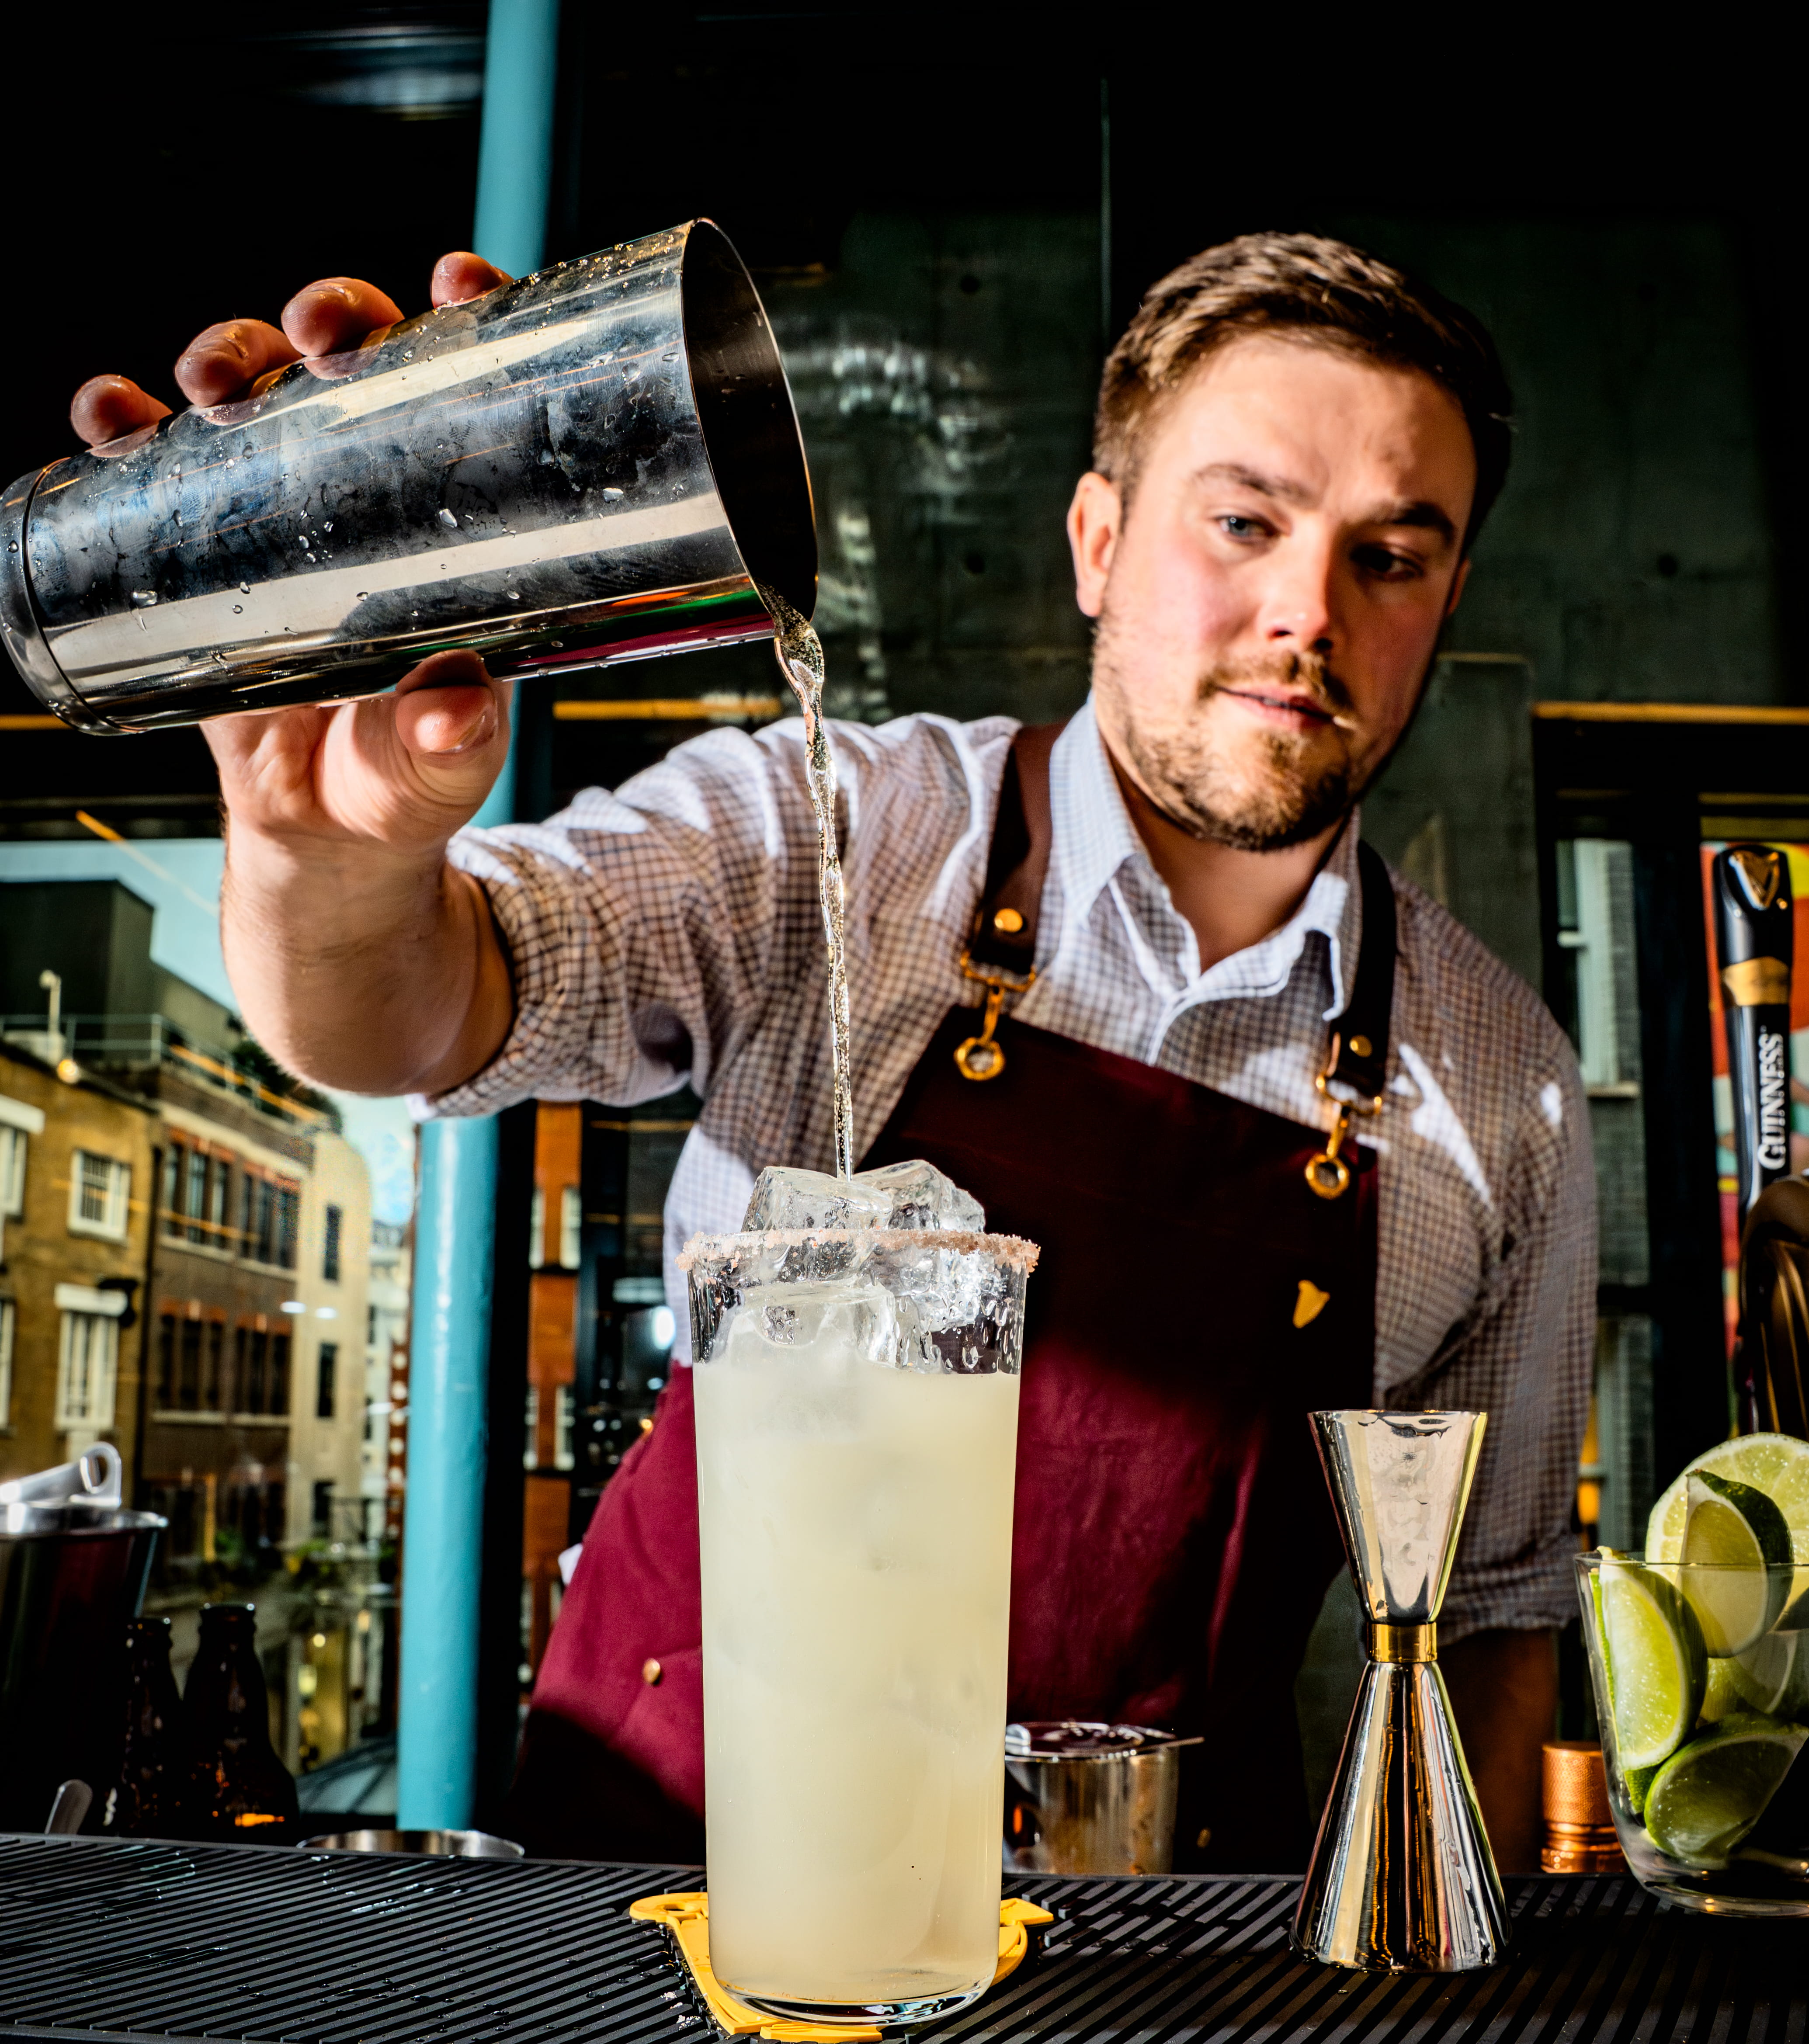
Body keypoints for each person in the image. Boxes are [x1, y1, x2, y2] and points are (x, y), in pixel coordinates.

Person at [73, 232, 1593, 1873]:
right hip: (673, 1904)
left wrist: (1461, 2022)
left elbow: (1492, 1620)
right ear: (1095, 541)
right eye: (1242, 523)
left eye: (1390, 556)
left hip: (1157, 1986)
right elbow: (429, 1007)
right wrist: (330, 859)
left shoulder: (1495, 1086)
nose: (1307, 610)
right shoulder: (841, 828)